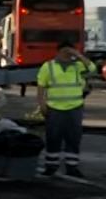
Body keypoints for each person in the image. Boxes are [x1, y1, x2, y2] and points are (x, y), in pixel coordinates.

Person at [36, 41, 96, 178]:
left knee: (73, 138)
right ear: (58, 52)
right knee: (53, 138)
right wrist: (42, 104)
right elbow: (41, 87)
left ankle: (72, 167)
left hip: (75, 108)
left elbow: (93, 68)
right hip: (54, 108)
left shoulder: (77, 66)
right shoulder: (48, 66)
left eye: (69, 52)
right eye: (65, 52)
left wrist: (78, 55)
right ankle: (51, 165)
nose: (67, 55)